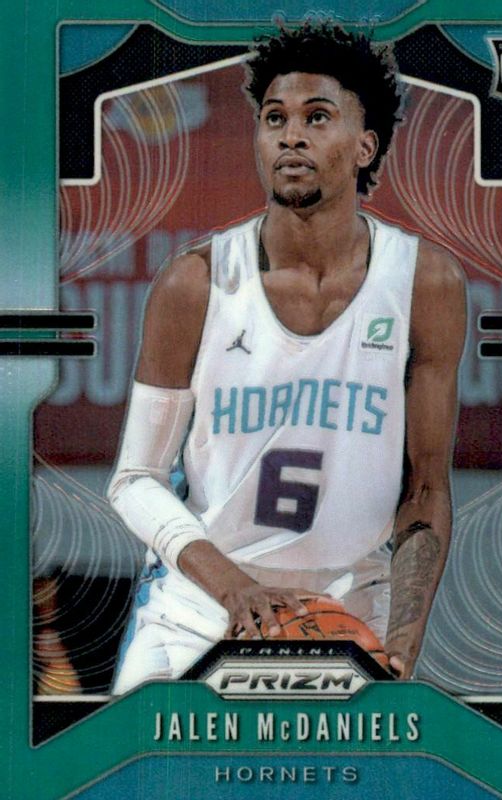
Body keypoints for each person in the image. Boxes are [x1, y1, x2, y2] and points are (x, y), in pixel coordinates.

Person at [107, 23, 466, 694]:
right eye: (275, 118)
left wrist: (401, 643)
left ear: (365, 146)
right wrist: (235, 588)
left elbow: (425, 490)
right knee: (125, 755)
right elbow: (134, 480)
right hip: (202, 609)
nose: (290, 136)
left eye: (316, 117)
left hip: (351, 608)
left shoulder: (424, 283)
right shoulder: (197, 282)